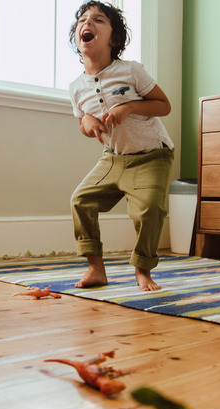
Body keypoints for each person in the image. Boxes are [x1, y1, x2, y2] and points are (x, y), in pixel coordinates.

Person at [68, 1, 174, 291]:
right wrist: (87, 123)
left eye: (98, 20)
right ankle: (96, 268)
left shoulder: (131, 71)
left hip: (152, 155)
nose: (87, 23)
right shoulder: (76, 88)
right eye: (82, 21)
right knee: (80, 200)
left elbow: (164, 106)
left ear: (113, 39)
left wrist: (128, 107)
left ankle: (143, 270)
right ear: (78, 38)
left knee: (150, 209)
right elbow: (83, 124)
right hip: (113, 159)